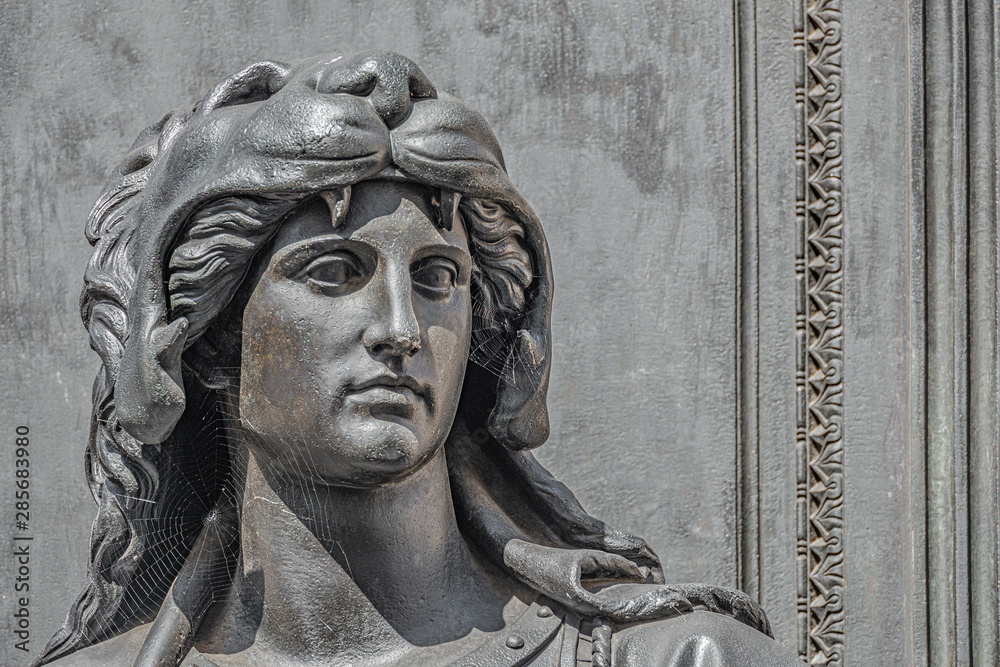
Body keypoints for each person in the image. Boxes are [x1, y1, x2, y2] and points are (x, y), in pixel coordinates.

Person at [38, 51, 804, 666]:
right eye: (334, 272)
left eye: (439, 278)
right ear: (208, 335)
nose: (402, 328)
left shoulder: (692, 657)